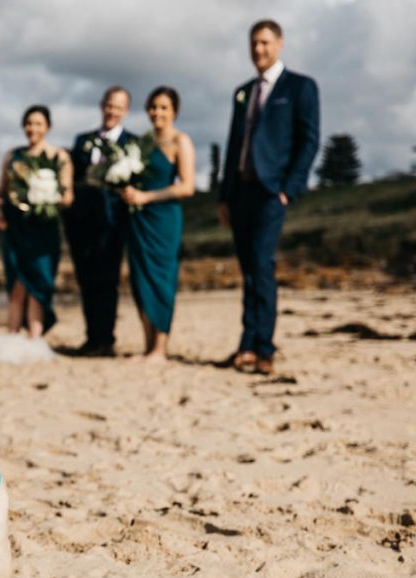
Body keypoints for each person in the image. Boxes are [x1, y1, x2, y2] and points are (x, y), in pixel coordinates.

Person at [218, 19, 320, 375]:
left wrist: (288, 189)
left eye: (264, 43)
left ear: (279, 44)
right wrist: (224, 195)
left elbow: (309, 140)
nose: (258, 50)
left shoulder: (300, 87)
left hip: (270, 192)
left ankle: (264, 347)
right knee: (248, 268)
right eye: (253, 44)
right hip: (240, 192)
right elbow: (234, 145)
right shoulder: (242, 92)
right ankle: (246, 343)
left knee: (262, 265)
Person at [119, 87, 196, 363]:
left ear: (174, 111)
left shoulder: (180, 141)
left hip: (163, 220)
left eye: (163, 107)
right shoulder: (142, 143)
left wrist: (147, 196)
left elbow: (187, 187)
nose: (157, 112)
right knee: (141, 280)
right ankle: (147, 345)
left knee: (161, 281)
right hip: (138, 219)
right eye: (153, 107)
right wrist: (127, 191)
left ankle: (160, 349)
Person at [64, 86, 136, 356]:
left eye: (118, 107)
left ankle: (106, 339)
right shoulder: (82, 140)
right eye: (108, 105)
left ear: (125, 111)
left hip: (114, 223)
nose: (112, 111)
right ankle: (92, 337)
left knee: (108, 281)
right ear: (101, 105)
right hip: (81, 222)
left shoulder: (133, 143)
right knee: (86, 280)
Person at [0, 105, 73, 338]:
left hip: (44, 230)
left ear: (47, 126)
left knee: (39, 282)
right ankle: (13, 334)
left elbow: (68, 197)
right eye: (28, 123)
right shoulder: (12, 156)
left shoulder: (59, 157)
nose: (32, 128)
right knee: (16, 282)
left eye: (38, 123)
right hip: (15, 229)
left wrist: (48, 198)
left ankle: (35, 337)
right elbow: (0, 194)